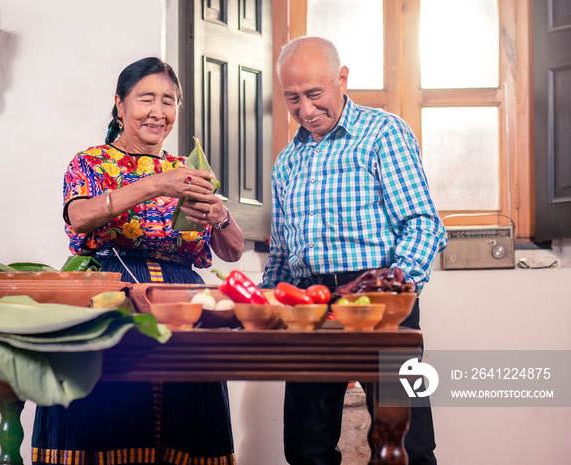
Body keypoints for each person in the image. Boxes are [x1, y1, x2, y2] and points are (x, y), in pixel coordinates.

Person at [31, 57, 244, 465]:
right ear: (120, 105)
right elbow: (79, 216)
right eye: (146, 99)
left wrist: (220, 215)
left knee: (188, 424)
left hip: (185, 305)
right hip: (109, 297)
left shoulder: (190, 170)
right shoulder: (90, 162)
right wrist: (156, 184)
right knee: (105, 416)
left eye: (168, 101)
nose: (157, 112)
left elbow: (233, 251)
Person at [261, 37, 447, 465]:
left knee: (407, 447)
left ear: (341, 80)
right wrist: (265, 304)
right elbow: (282, 252)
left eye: (314, 94)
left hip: (379, 296)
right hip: (309, 305)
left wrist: (396, 289)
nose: (305, 110)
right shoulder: (287, 162)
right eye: (292, 98)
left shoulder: (384, 132)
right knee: (306, 449)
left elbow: (422, 222)